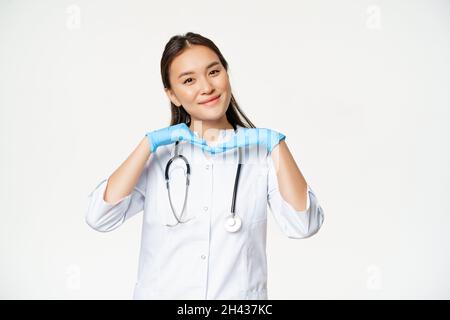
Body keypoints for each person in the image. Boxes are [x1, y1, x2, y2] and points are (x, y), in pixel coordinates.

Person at [86, 32, 324, 299]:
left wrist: (276, 144)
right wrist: (148, 144)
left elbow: (304, 225)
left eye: (214, 72)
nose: (207, 87)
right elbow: (99, 217)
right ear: (172, 95)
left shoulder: (262, 153)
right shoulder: (160, 154)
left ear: (226, 74)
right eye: (189, 80)